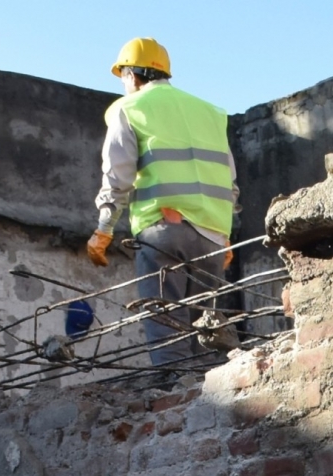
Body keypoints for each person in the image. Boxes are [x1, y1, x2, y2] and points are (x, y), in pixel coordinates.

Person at [86, 37, 239, 367]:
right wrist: (224, 235)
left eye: (123, 76)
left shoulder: (129, 109)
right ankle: (206, 404)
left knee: (166, 321)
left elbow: (118, 176)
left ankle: (172, 394)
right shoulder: (210, 113)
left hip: (164, 228)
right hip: (212, 237)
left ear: (133, 75)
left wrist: (103, 228)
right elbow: (230, 182)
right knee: (205, 332)